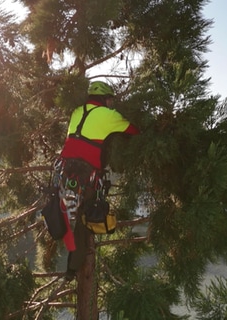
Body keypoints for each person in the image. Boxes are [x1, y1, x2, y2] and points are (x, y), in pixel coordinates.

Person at [55, 80, 139, 280]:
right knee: (85, 220)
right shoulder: (109, 115)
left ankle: (70, 263)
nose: (111, 103)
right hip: (87, 176)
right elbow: (134, 132)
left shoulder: (76, 111)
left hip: (66, 172)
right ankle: (73, 269)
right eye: (109, 99)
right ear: (103, 98)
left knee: (68, 213)